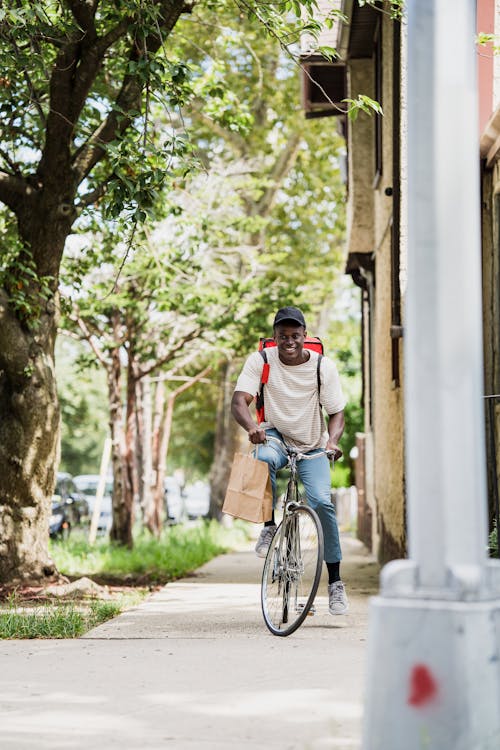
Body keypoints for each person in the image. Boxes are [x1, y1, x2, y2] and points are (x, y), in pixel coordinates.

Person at [230, 306, 349, 615]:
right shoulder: (261, 361)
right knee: (263, 458)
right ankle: (269, 526)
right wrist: (252, 427)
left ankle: (335, 583)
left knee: (322, 502)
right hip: (274, 435)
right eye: (283, 336)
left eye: (295, 335)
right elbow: (239, 401)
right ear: (274, 337)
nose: (289, 341)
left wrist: (332, 442)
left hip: (312, 443)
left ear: (304, 336)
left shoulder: (324, 367)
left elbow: (336, 412)